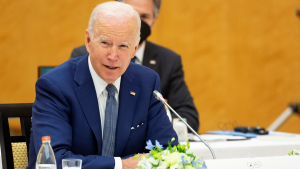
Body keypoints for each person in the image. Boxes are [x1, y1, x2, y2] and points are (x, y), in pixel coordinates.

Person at [27, 2, 178, 169]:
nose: (113, 56)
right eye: (105, 43)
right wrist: (121, 165)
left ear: (134, 49)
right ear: (88, 40)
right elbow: (54, 161)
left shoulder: (147, 82)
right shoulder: (55, 86)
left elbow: (167, 152)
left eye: (123, 46)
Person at [70, 0, 199, 133]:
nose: (113, 56)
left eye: (144, 17)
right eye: (132, 13)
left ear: (154, 20)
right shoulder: (85, 55)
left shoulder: (168, 60)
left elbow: (188, 117)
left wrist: (153, 126)